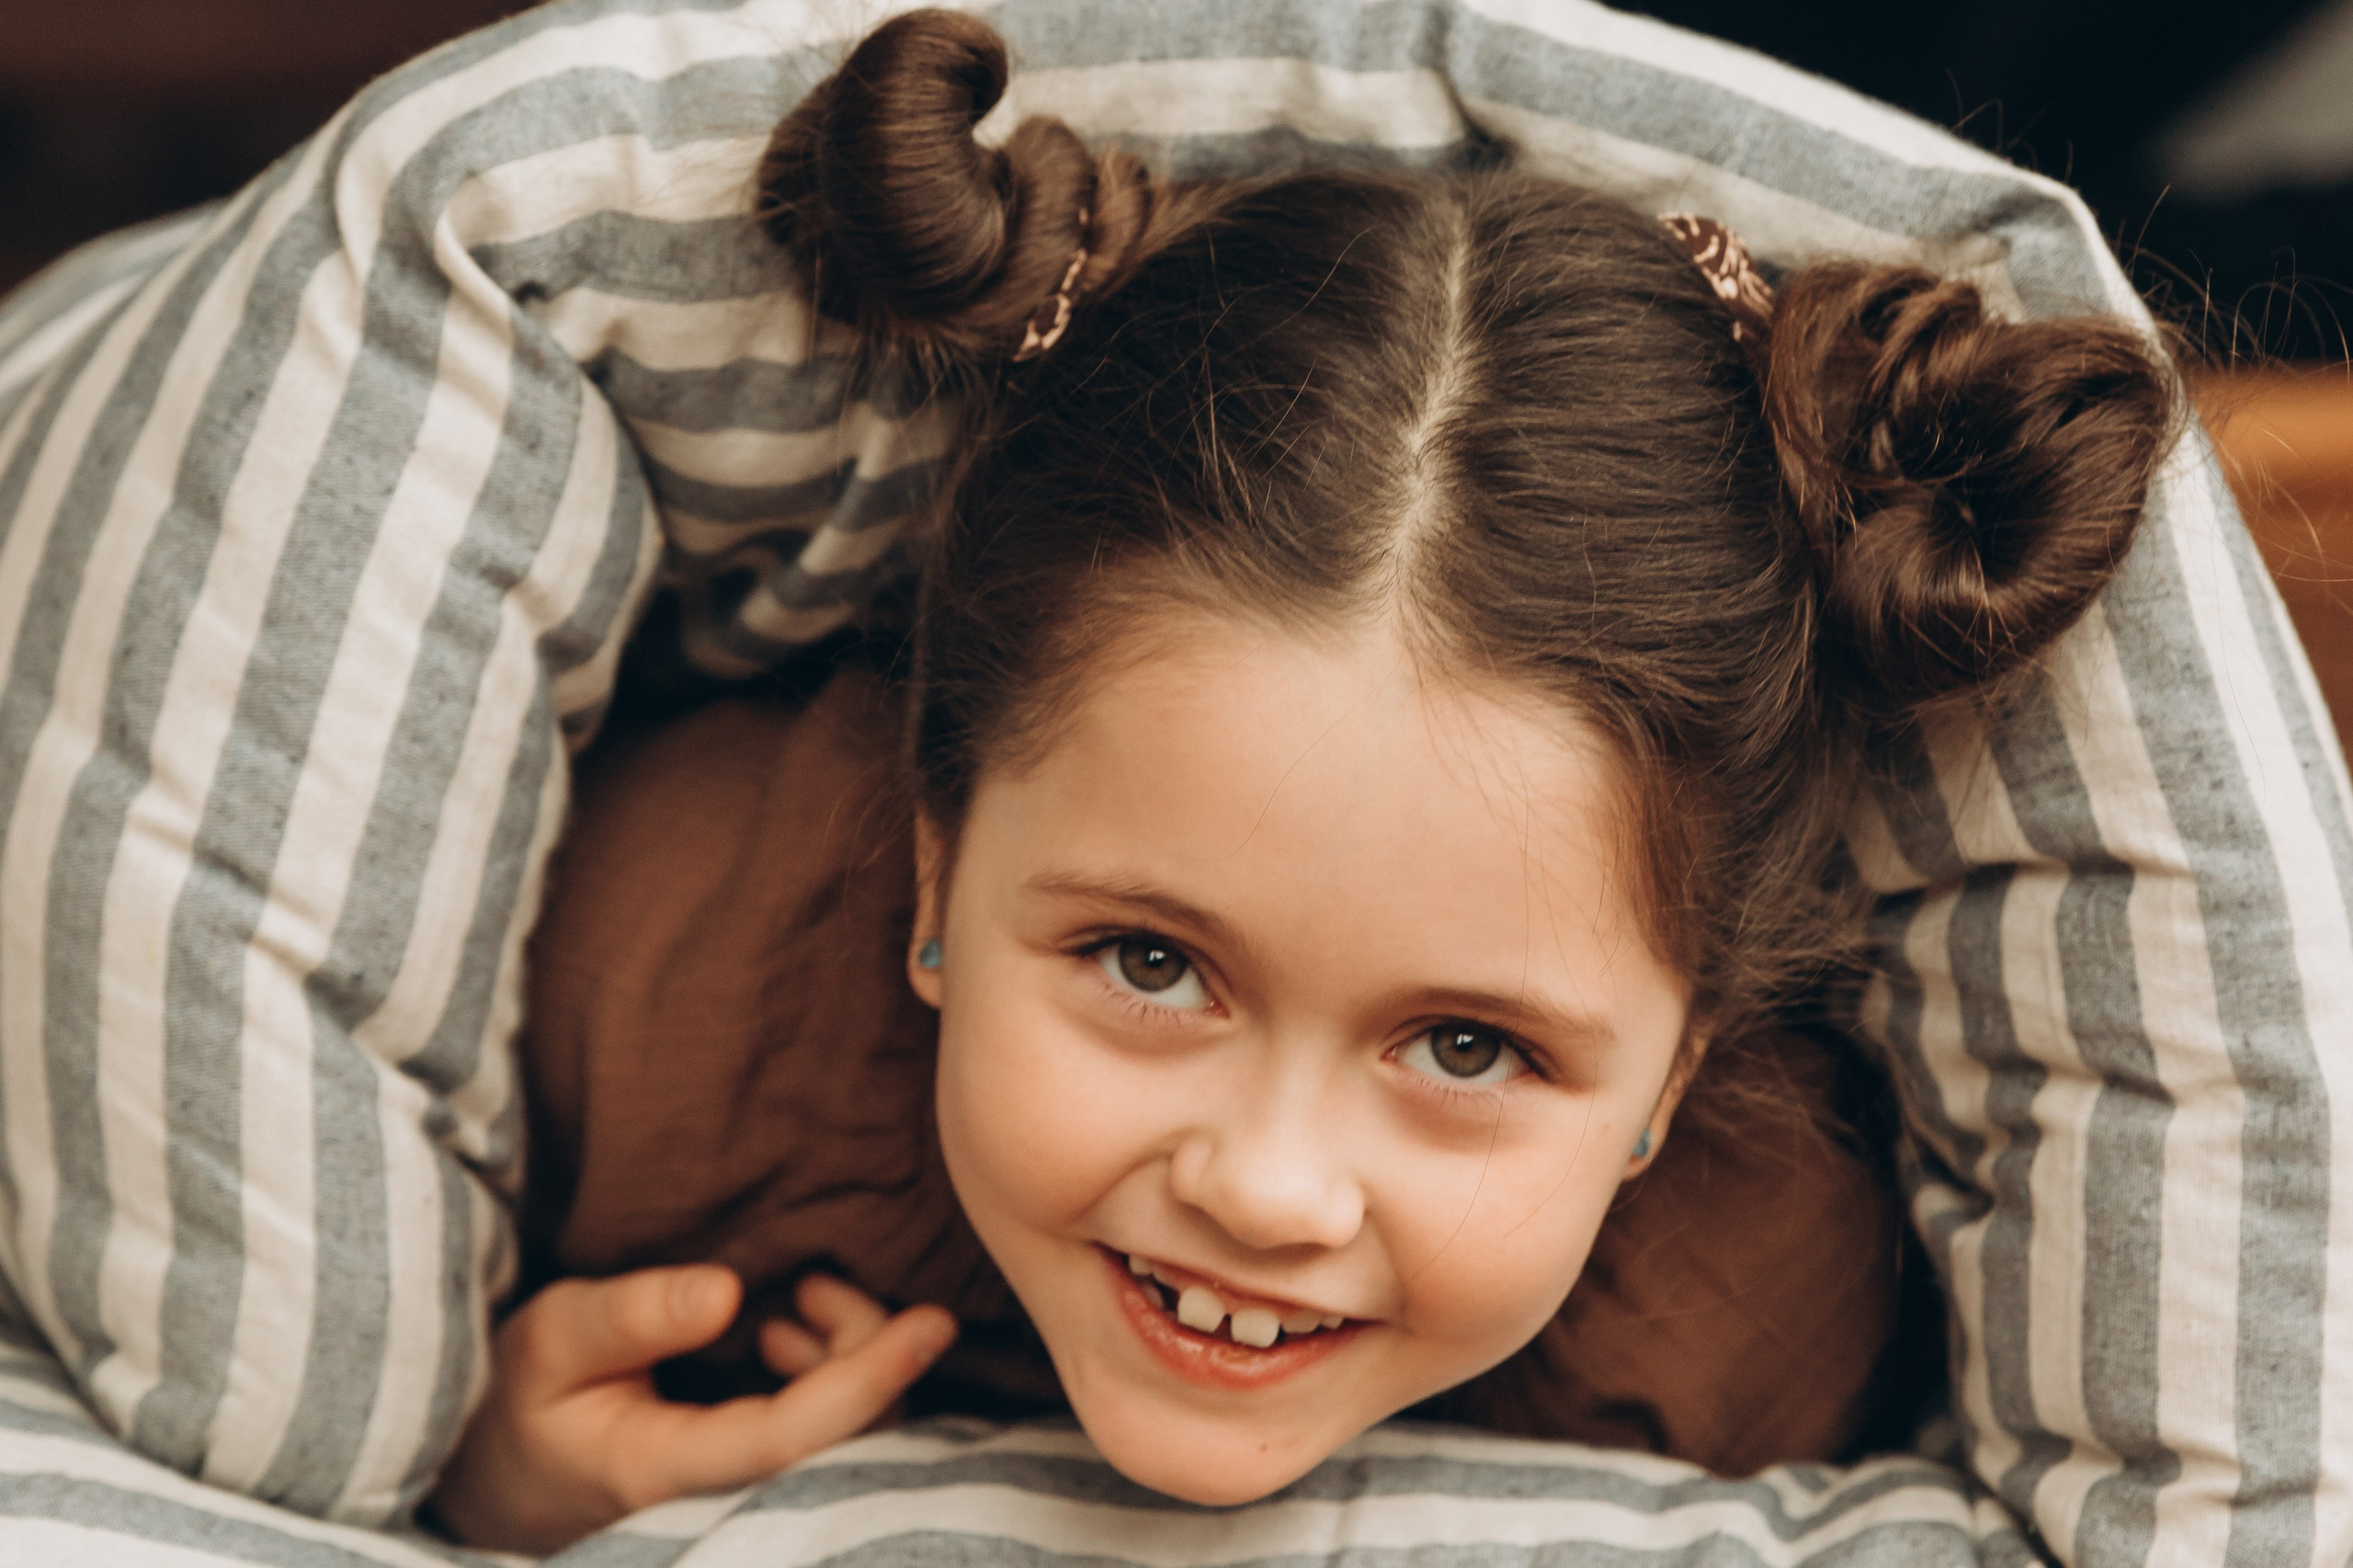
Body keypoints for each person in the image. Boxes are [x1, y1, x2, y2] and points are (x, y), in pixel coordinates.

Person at [423, 8, 2177, 1552]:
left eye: (1471, 1047)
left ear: (1677, 1067)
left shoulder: (1740, 1326)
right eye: (1150, 961)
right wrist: (498, 1488)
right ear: (938, 862)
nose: (1268, 1192)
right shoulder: (654, 990)